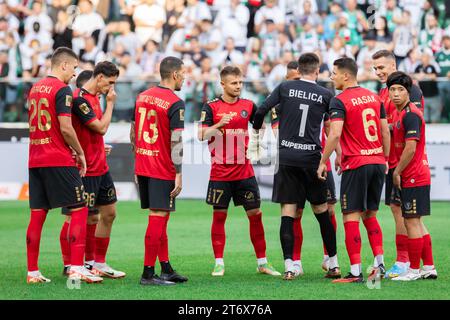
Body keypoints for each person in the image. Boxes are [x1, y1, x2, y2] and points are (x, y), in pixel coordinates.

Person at [252, 53, 340, 280]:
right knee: (322, 213)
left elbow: (261, 109)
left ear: (298, 69)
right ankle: (334, 264)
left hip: (287, 158)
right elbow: (332, 129)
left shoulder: (284, 88)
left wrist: (255, 127)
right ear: (317, 70)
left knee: (288, 214)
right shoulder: (325, 94)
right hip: (311, 159)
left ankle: (290, 266)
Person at [198, 65, 281, 278]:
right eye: (234, 83)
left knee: (256, 214)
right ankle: (218, 262)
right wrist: (218, 125)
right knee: (219, 216)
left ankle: (262, 262)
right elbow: (201, 134)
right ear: (223, 84)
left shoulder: (248, 105)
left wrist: (256, 142)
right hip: (220, 173)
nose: (238, 86)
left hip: (245, 171)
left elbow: (260, 125)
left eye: (240, 83)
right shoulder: (211, 107)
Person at [26, 47, 100, 283]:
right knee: (79, 209)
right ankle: (77, 268)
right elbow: (66, 128)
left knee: (37, 214)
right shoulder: (62, 89)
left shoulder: (35, 88)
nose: (74, 73)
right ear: (64, 65)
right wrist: (79, 153)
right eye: (74, 68)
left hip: (35, 157)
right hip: (57, 158)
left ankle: (32, 272)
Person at [318, 57, 390, 283]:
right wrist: (385, 158)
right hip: (378, 161)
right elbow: (385, 131)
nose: (331, 77)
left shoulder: (339, 101)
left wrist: (323, 161)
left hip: (357, 164)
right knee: (371, 215)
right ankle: (380, 264)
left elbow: (335, 133)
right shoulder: (374, 97)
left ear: (345, 75)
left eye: (334, 73)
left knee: (351, 216)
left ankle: (356, 272)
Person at [59, 62, 125, 280]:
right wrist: (111, 105)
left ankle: (98, 263)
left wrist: (98, 146)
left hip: (101, 166)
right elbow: (101, 127)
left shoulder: (95, 98)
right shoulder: (79, 99)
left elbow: (93, 134)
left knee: (109, 214)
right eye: (111, 82)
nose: (112, 88)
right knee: (77, 218)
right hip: (84, 169)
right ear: (100, 78)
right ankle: (71, 265)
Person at [130, 56, 188, 286]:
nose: (185, 77)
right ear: (174, 75)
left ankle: (165, 267)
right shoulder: (175, 101)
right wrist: (179, 172)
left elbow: (133, 131)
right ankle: (147, 273)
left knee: (161, 216)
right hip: (162, 167)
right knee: (157, 217)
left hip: (144, 164)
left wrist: (138, 161)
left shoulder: (142, 96)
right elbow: (176, 140)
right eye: (183, 73)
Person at [372, 49, 424, 278]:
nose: (378, 72)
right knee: (400, 210)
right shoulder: (384, 93)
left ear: (393, 65)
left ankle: (405, 261)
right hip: (391, 160)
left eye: (382, 67)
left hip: (406, 162)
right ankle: (422, 263)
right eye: (375, 68)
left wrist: (386, 129)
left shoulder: (410, 88)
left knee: (407, 213)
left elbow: (413, 123)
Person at [386, 71, 437, 281]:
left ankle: (414, 270)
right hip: (415, 175)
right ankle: (429, 267)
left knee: (411, 222)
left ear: (408, 93)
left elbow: (410, 148)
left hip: (413, 175)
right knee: (417, 222)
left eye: (401, 90)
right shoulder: (402, 115)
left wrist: (397, 171)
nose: (396, 94)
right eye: (392, 90)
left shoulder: (410, 115)